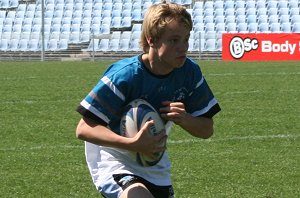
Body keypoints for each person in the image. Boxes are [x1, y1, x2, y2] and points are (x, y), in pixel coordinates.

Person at [75, 2, 221, 198]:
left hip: (154, 161)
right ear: (151, 40)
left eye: (186, 39)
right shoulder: (125, 76)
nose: (183, 48)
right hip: (114, 158)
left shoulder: (189, 73)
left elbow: (206, 130)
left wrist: (185, 119)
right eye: (174, 40)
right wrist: (132, 144)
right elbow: (83, 128)